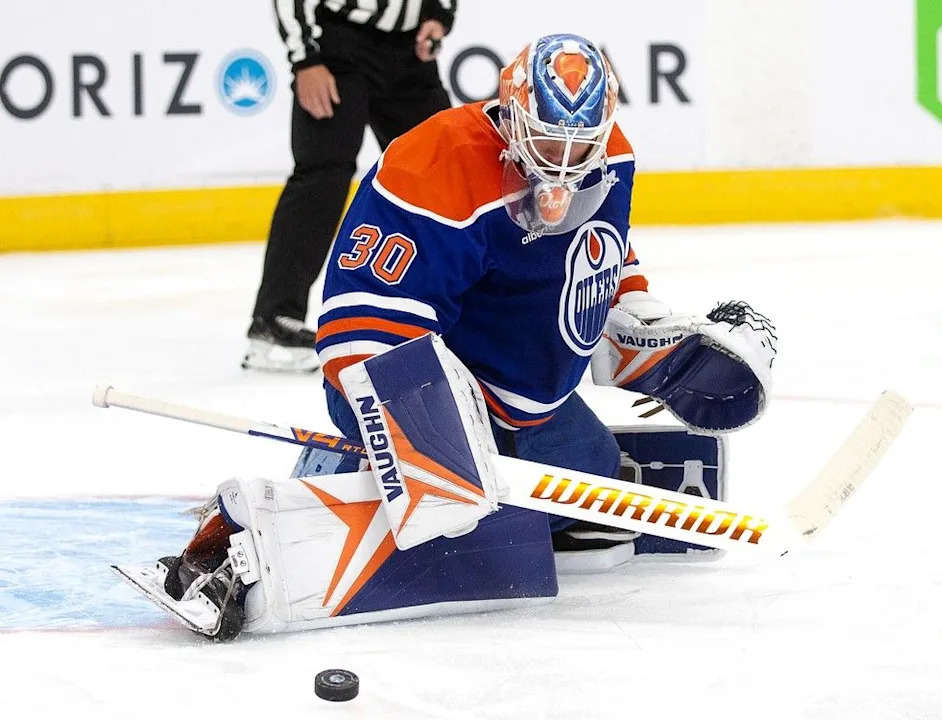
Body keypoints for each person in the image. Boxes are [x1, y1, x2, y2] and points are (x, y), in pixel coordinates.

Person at [115, 33, 776, 640]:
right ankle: (240, 544)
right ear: (511, 112)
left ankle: (466, 490)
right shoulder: (435, 164)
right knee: (435, 507)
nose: (565, 166)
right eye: (548, 143)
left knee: (593, 475)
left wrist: (640, 322)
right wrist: (423, 429)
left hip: (515, 397)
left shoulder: (610, 157)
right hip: (407, 377)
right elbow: (358, 325)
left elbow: (599, 253)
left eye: (582, 147)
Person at [242, 0, 457, 373]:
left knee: (446, 172)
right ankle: (274, 318)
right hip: (338, 46)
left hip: (409, 52)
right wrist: (306, 59)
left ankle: (460, 315)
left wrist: (439, 15)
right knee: (323, 173)